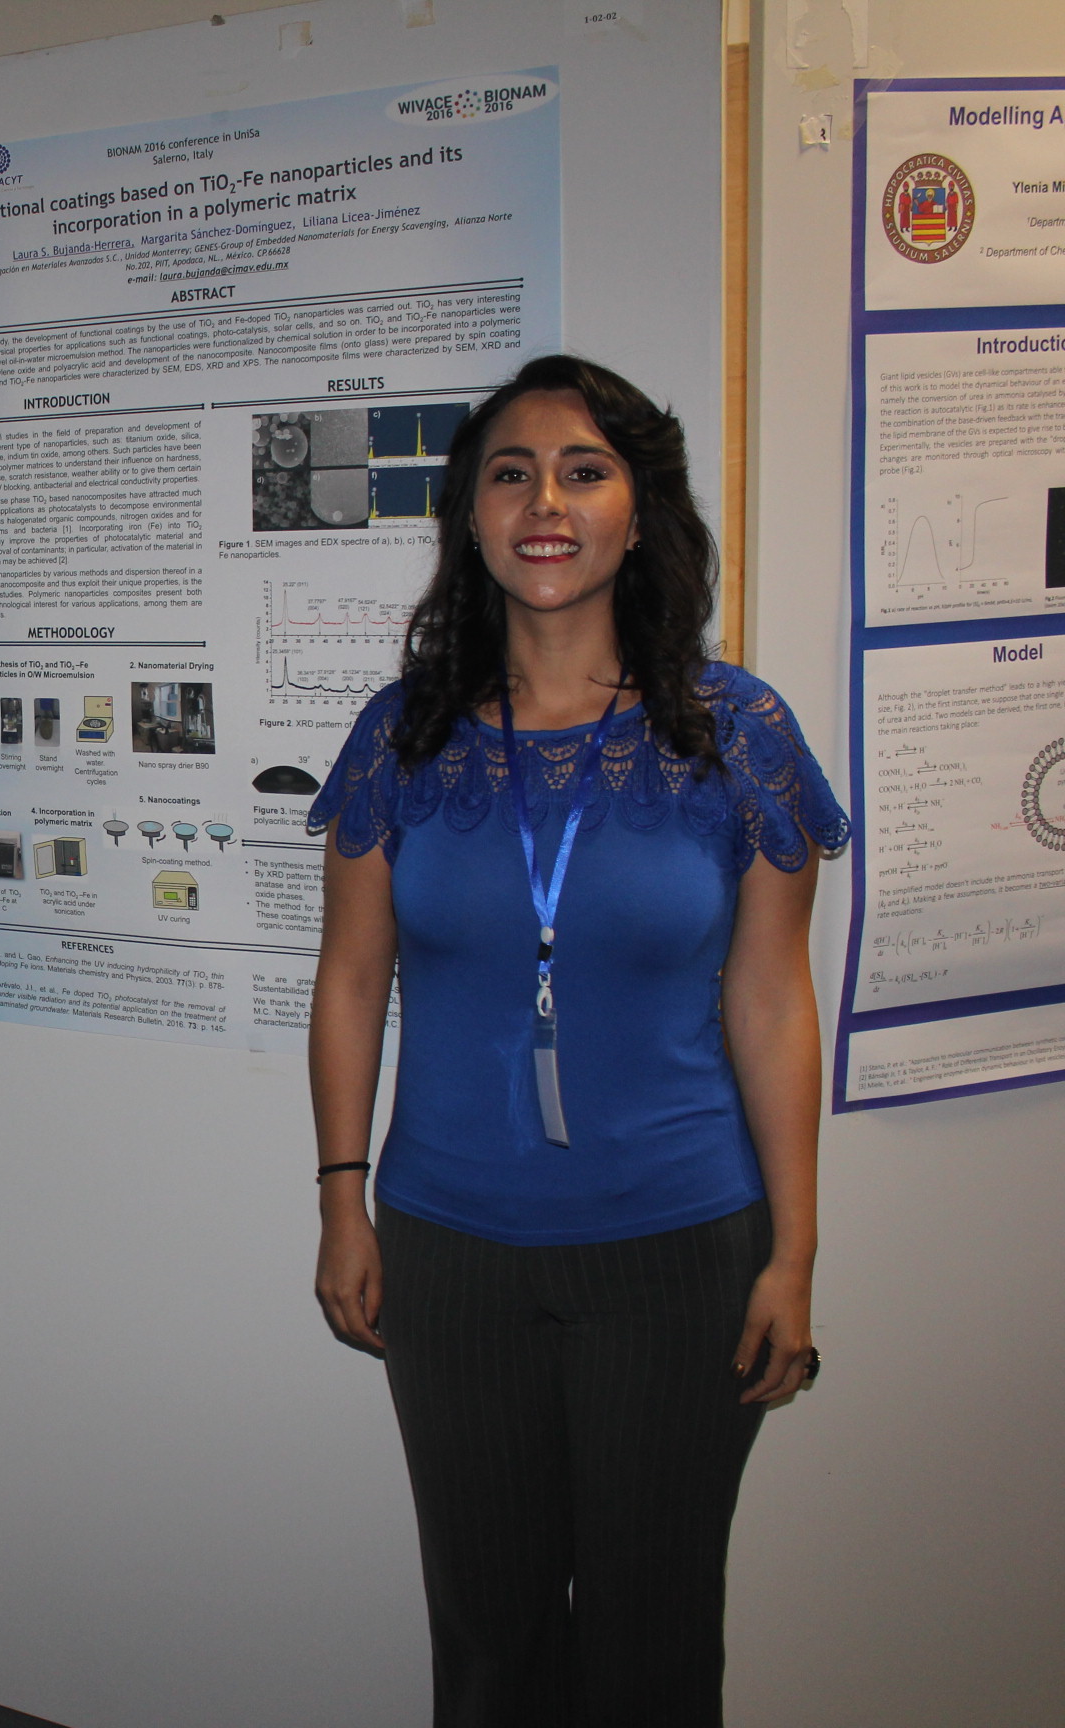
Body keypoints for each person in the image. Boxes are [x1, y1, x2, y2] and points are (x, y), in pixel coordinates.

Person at [304, 354, 847, 1727]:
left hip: (679, 1252)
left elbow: (774, 1000)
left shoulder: (737, 732)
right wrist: (341, 1201)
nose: (545, 502)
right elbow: (353, 978)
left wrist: (793, 1253)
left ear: (636, 511)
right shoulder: (402, 735)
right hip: (451, 1255)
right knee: (488, 1642)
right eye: (512, 473)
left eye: (583, 471)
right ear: (473, 518)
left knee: (652, 1645)